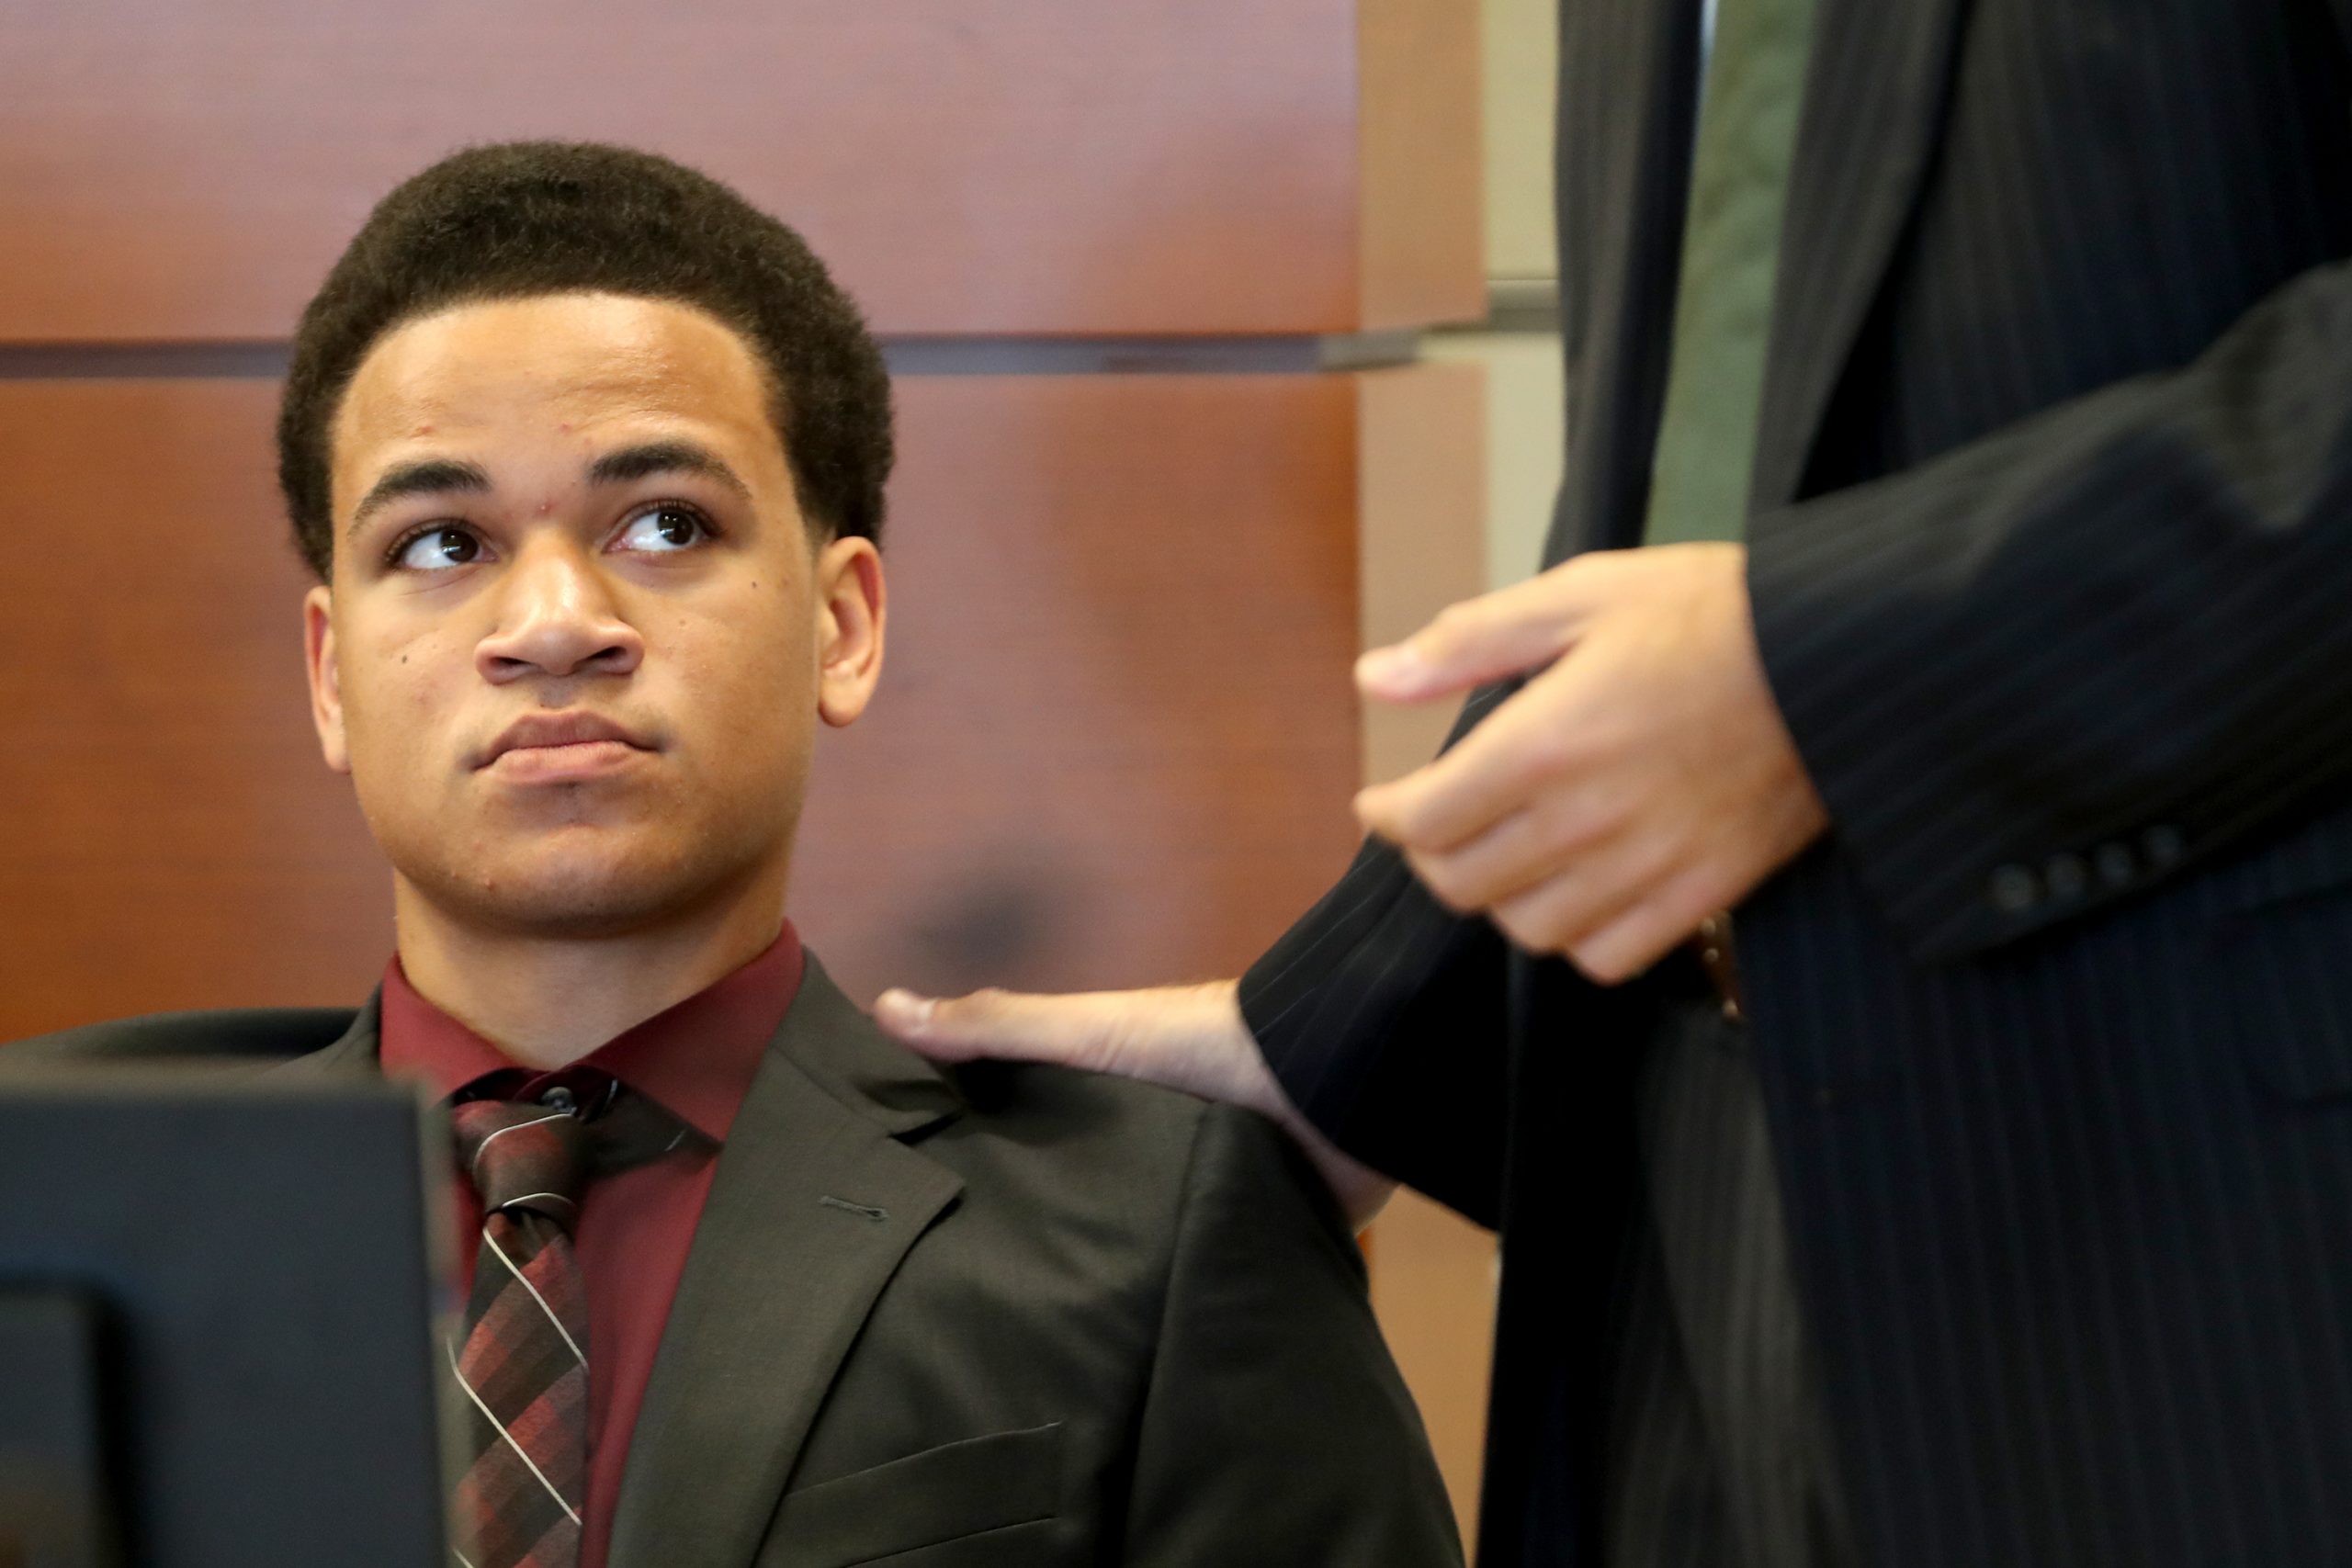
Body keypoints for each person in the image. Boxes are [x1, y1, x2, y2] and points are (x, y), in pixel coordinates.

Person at [876, 3, 2352, 1566]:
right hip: (1683, 1218)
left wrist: (1826, 676)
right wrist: (1349, 1042)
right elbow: (1692, 480)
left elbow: (1760, 629)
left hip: (2215, 1232)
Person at [5, 141, 1463, 1568]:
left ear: (844, 625)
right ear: (331, 675)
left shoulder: (1154, 1223)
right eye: (443, 544)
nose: (555, 624)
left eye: (664, 524)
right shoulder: (51, 1196)